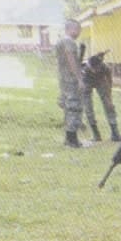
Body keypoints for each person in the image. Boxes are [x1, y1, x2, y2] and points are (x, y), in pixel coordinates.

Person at [55, 19, 85, 148]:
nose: (79, 32)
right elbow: (71, 59)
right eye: (77, 29)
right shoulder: (69, 42)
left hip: (64, 78)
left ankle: (69, 138)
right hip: (71, 79)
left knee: (68, 107)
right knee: (74, 107)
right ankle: (72, 139)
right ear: (70, 29)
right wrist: (79, 78)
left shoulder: (60, 41)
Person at [81, 50, 121, 142]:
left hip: (101, 81)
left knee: (109, 106)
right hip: (86, 83)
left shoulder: (105, 67)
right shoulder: (83, 68)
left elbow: (109, 80)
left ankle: (115, 134)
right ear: (90, 66)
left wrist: (109, 95)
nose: (96, 71)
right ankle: (96, 135)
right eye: (94, 69)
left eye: (98, 68)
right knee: (88, 108)